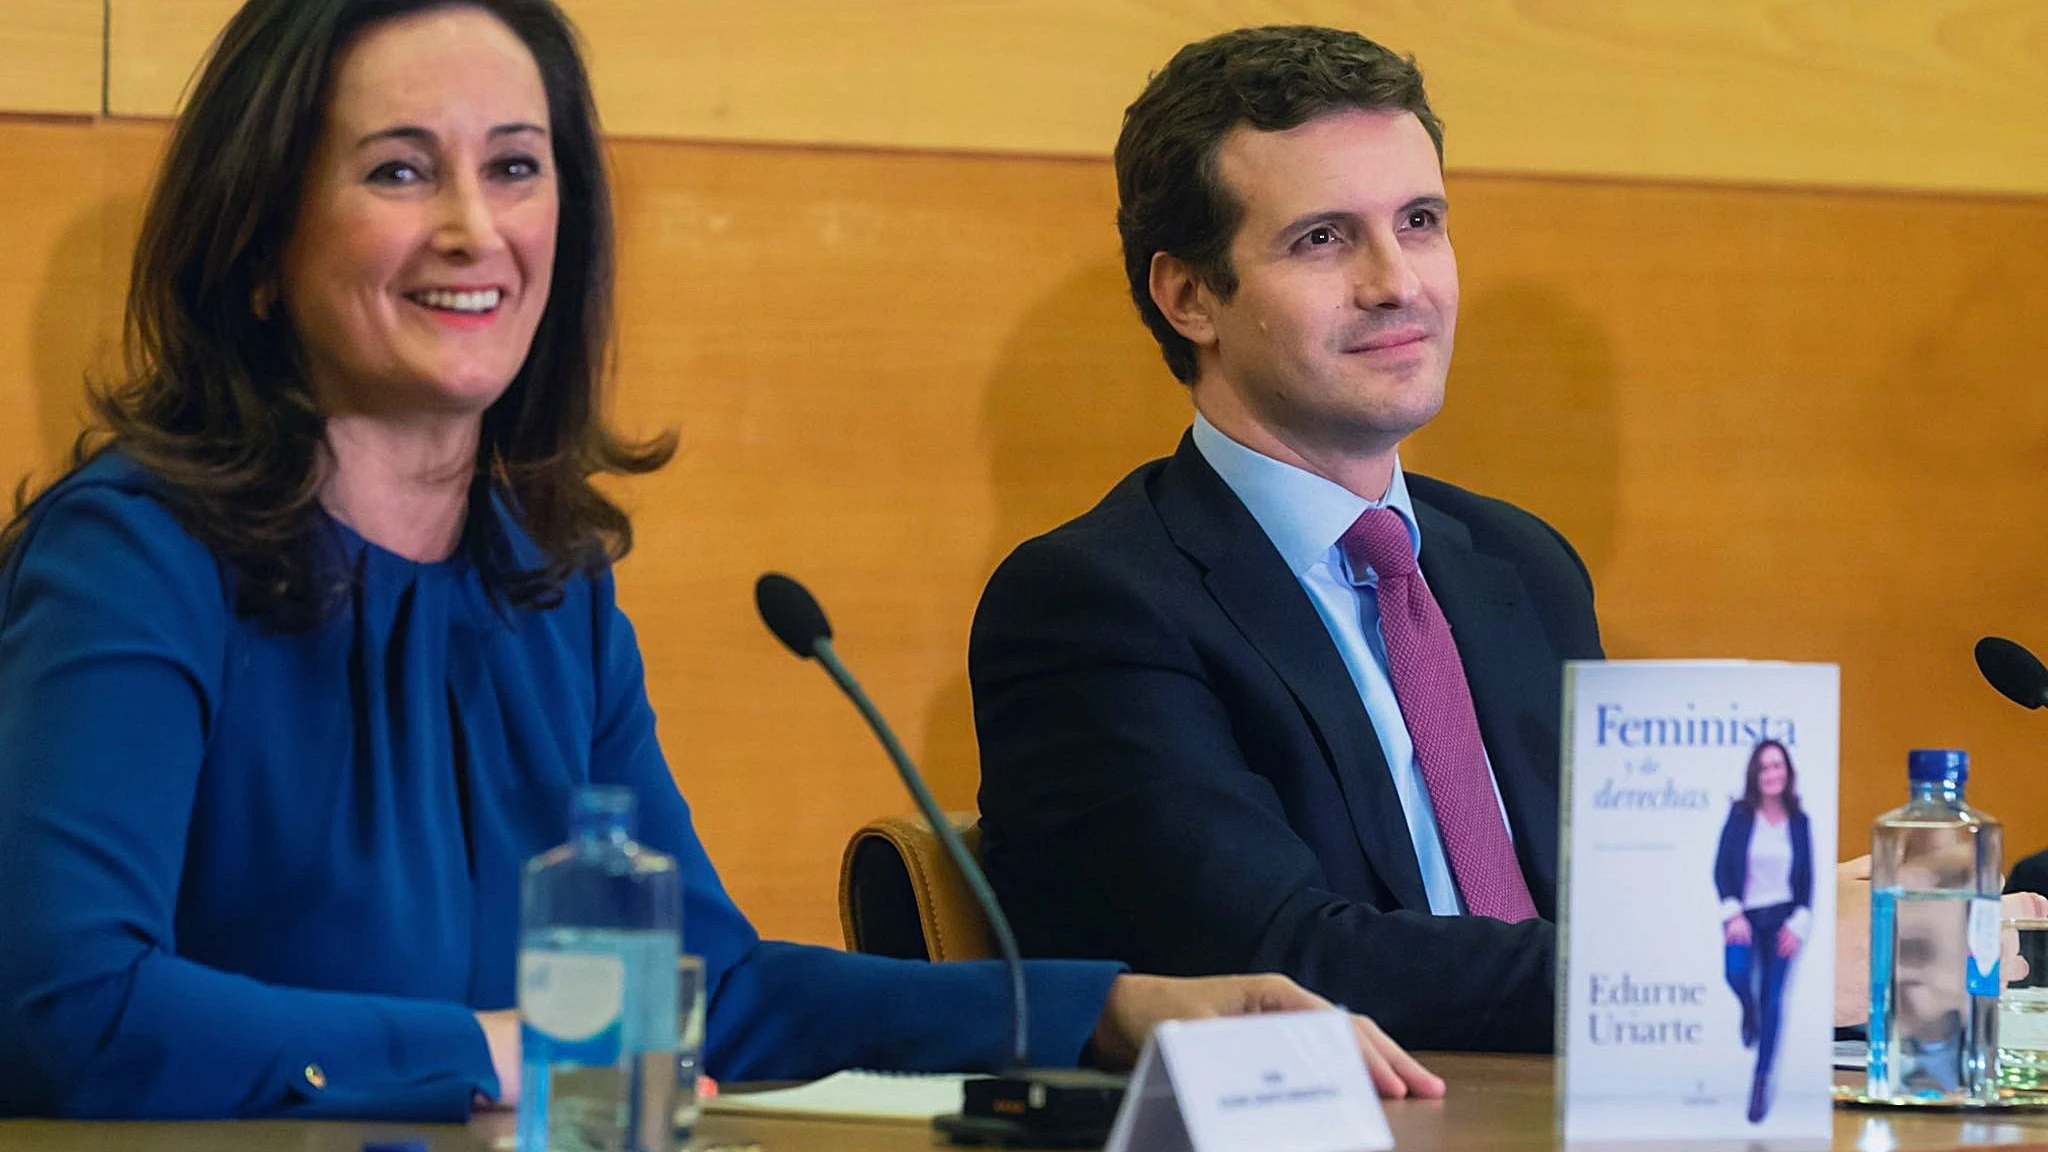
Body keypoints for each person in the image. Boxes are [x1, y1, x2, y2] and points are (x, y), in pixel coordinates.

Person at [0, 0, 1442, 1120]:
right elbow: (59, 1003)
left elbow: (708, 994)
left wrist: (1115, 1011)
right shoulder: (136, 557)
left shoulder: (545, 589)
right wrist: (486, 1052)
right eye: (398, 170)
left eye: (516, 167)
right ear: (258, 240)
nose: (474, 229)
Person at [968, 25, 1600, 1053]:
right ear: (1188, 298)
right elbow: (1278, 964)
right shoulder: (1093, 603)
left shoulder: (1521, 565)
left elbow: (1621, 901)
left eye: (1421, 221)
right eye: (1323, 239)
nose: (1397, 282)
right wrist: (1717, 969)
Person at [1713, 740, 1812, 1123]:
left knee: (1775, 1000)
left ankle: (1760, 1081)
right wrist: (1732, 912)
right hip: (1746, 916)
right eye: (1765, 767)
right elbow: (1722, 867)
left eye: (1778, 766)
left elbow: (1807, 877)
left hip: (1784, 918)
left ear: (1787, 772)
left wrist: (1800, 922)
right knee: (1735, 972)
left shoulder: (1798, 819)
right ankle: (1747, 1008)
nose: (1772, 774)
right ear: (1756, 774)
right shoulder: (1741, 814)